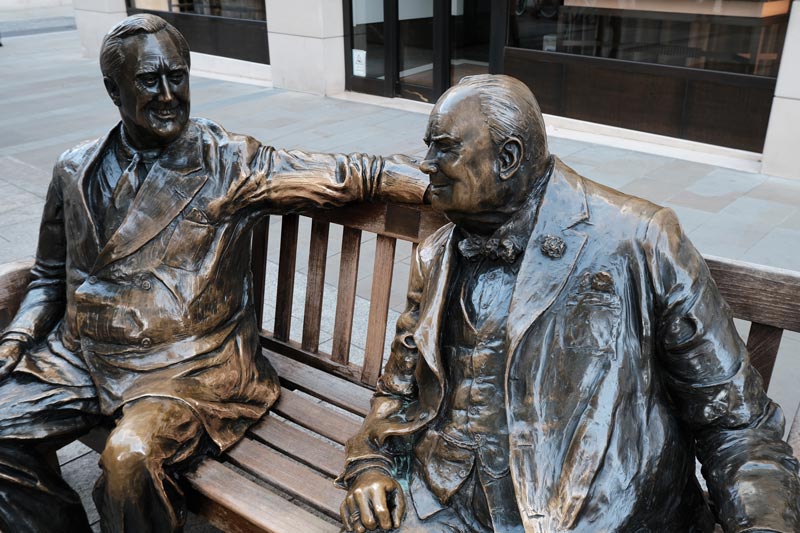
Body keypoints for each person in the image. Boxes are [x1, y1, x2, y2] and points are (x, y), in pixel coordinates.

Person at [0, 14, 427, 533]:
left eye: (176, 76)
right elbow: (48, 274)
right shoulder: (75, 167)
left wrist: (457, 181)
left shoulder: (230, 162)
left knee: (127, 458)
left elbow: (351, 174)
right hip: (83, 354)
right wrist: (19, 335)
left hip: (189, 368)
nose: (166, 95)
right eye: (148, 81)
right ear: (113, 89)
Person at [337, 74, 800, 533]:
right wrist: (372, 465)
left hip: (586, 517)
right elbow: (397, 391)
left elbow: (740, 425)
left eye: (444, 148)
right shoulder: (436, 254)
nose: (426, 163)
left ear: (508, 158)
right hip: (438, 497)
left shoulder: (639, 239)